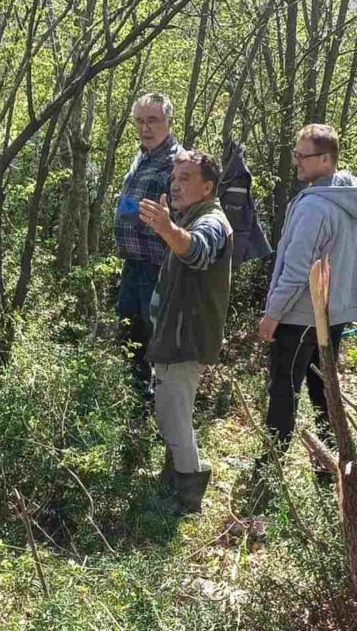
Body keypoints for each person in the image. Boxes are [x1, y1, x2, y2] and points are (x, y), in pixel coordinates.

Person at [251, 123, 357, 507]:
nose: (297, 162)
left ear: (326, 159)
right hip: (333, 313)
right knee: (324, 392)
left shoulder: (316, 206)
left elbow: (296, 267)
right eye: (296, 154)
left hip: (301, 315)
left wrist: (273, 314)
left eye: (303, 156)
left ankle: (269, 472)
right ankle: (331, 470)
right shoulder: (352, 198)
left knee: (284, 390)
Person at [138, 150, 232, 514]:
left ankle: (187, 497)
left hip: (186, 337)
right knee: (170, 412)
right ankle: (174, 476)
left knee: (174, 415)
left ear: (208, 187)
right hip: (177, 334)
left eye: (186, 179)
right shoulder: (192, 216)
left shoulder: (211, 221)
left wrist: (166, 228)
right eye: (174, 179)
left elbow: (197, 251)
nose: (176, 186)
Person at [114, 93, 184, 396]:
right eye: (140, 121)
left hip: (157, 268)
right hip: (133, 264)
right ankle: (137, 402)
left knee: (156, 340)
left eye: (153, 120)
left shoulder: (178, 164)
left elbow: (184, 218)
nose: (146, 127)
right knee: (130, 335)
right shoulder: (142, 156)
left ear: (168, 121)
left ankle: (162, 408)